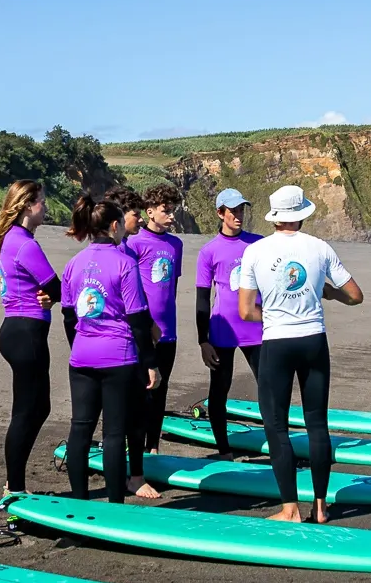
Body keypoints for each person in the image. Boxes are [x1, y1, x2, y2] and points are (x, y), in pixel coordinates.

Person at [235, 184, 363, 524]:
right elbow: (355, 295)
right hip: (313, 340)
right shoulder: (319, 248)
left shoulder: (256, 251)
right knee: (316, 423)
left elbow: (246, 311)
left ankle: (290, 508)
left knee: (276, 426)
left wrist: (276, 315)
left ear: (275, 216)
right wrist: (329, 295)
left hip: (277, 342)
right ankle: (320, 507)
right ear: (302, 215)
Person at [60, 193, 162, 502]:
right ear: (115, 226)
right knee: (114, 434)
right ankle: (115, 502)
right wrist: (150, 362)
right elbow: (138, 319)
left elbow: (68, 316)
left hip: (81, 357)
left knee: (80, 430)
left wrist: (80, 344)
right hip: (118, 358)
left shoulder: (73, 264)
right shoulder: (125, 263)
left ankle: (79, 500)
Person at [0, 180, 59, 497]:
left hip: (19, 331)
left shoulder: (14, 239)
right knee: (27, 412)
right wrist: (52, 296)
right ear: (29, 205)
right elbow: (56, 287)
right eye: (42, 201)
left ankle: (14, 483)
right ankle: (14, 487)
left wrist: (49, 296)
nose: (46, 207)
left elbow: (49, 290)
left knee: (37, 408)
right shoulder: (24, 244)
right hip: (25, 333)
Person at [123, 182, 185, 491]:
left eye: (173, 210)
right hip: (143, 331)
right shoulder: (134, 243)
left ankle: (153, 447)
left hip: (169, 331)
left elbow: (170, 289)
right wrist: (144, 325)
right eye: (166, 210)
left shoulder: (176, 245)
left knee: (161, 390)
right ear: (150, 212)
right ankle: (130, 449)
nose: (171, 215)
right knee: (141, 393)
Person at [194, 187, 263, 456]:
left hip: (256, 329)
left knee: (269, 390)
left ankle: (279, 447)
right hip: (223, 330)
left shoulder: (258, 244)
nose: (238, 215)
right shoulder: (209, 251)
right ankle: (224, 450)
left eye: (241, 209)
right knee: (219, 391)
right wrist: (203, 340)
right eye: (233, 210)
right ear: (220, 213)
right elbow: (202, 299)